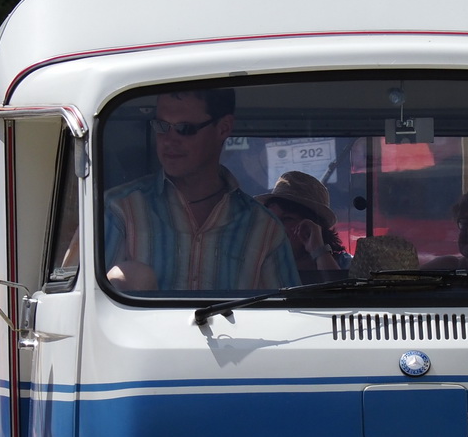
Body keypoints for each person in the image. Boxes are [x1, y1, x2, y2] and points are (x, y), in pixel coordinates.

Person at [102, 89, 299, 293]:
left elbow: (289, 314)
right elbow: (89, 304)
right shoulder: (118, 210)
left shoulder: (264, 229)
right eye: (161, 126)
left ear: (223, 128)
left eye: (184, 129)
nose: (169, 140)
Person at [257, 171, 347, 281]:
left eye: (287, 219)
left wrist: (319, 251)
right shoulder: (261, 267)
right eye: (272, 218)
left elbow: (340, 294)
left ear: (312, 226)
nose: (275, 227)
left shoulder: (346, 264)